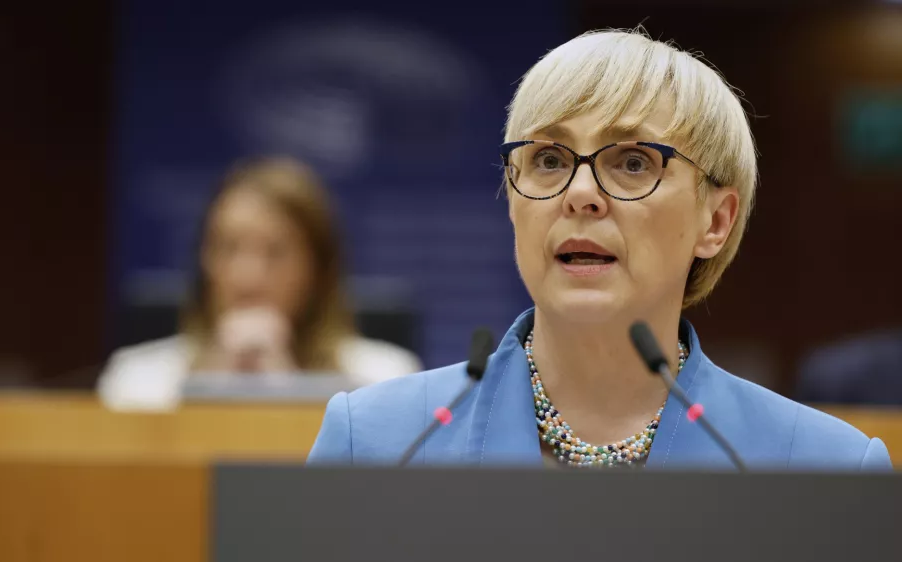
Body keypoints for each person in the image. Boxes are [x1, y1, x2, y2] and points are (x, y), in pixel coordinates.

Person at [308, 29, 892, 470]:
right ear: (512, 202)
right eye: (549, 159)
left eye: (633, 162)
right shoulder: (374, 442)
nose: (581, 193)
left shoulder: (824, 467)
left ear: (715, 221)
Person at [98, 157, 422, 411]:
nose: (248, 276)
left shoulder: (386, 379)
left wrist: (287, 390)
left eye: (275, 252)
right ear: (203, 260)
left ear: (318, 270)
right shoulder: (136, 380)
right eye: (228, 247)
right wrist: (212, 383)